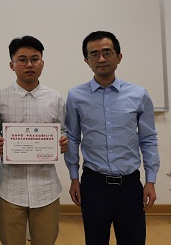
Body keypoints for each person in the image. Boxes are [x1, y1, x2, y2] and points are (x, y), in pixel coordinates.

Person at [64, 31, 160, 245]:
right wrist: (74, 178)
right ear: (86, 60)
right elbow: (72, 138)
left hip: (130, 186)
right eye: (94, 54)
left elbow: (148, 139)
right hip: (93, 185)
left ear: (119, 56)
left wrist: (150, 180)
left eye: (107, 52)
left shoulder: (139, 94)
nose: (101, 59)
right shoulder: (75, 96)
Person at [0, 36, 68, 245]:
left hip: (46, 187)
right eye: (22, 60)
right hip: (10, 187)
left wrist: (63, 141)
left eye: (35, 59)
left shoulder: (55, 98)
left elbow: (64, 129)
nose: (29, 64)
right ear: (12, 65)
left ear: (42, 63)